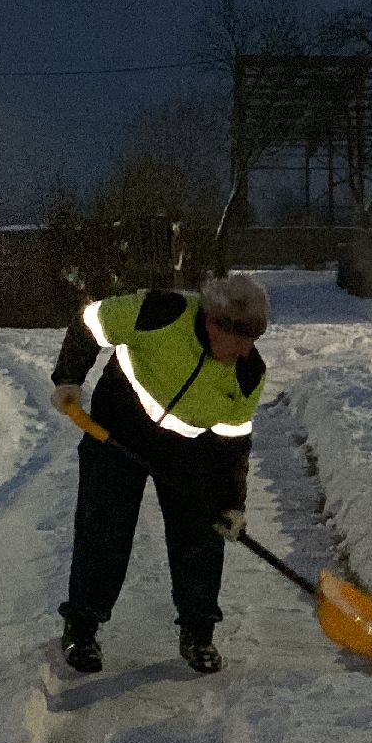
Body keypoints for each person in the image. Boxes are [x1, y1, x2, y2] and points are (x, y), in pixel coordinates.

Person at [48, 274, 269, 675]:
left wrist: (231, 504)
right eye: (240, 340)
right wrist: (69, 377)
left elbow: (232, 444)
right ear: (213, 323)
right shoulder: (161, 312)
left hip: (187, 452)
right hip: (117, 427)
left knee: (201, 536)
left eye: (253, 341)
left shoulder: (248, 373)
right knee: (104, 528)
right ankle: (82, 629)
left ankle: (198, 634)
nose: (244, 352)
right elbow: (91, 322)